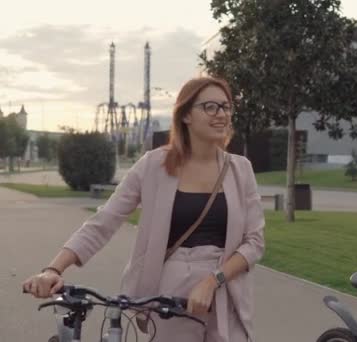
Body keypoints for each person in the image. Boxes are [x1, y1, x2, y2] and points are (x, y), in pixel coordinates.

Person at [22, 76, 265, 342]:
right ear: (185, 115)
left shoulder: (241, 170)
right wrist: (53, 270)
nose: (222, 114)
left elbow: (254, 242)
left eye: (226, 107)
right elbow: (105, 221)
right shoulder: (154, 165)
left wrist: (213, 280)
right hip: (170, 298)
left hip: (226, 292)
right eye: (210, 107)